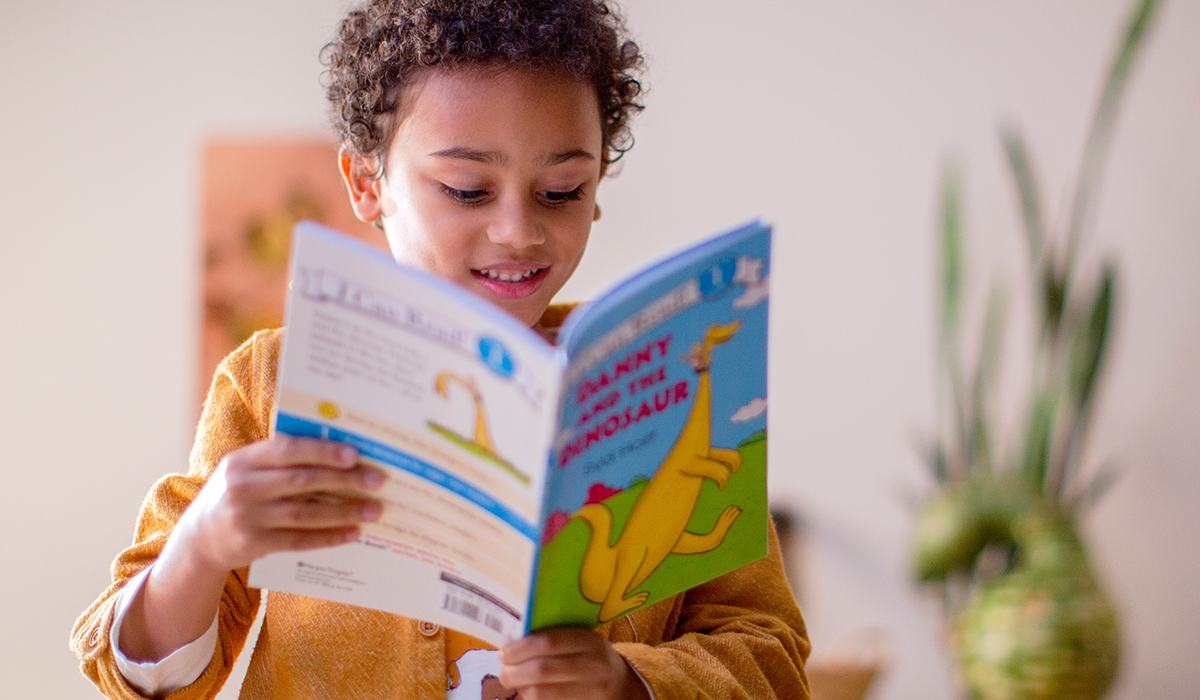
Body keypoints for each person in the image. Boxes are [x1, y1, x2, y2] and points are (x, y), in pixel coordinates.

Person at [71, 1, 811, 698]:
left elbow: (771, 653)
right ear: (367, 183)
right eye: (465, 189)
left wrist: (628, 682)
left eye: (561, 190)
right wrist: (201, 547)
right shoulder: (267, 382)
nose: (519, 231)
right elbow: (130, 671)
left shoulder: (667, 371)